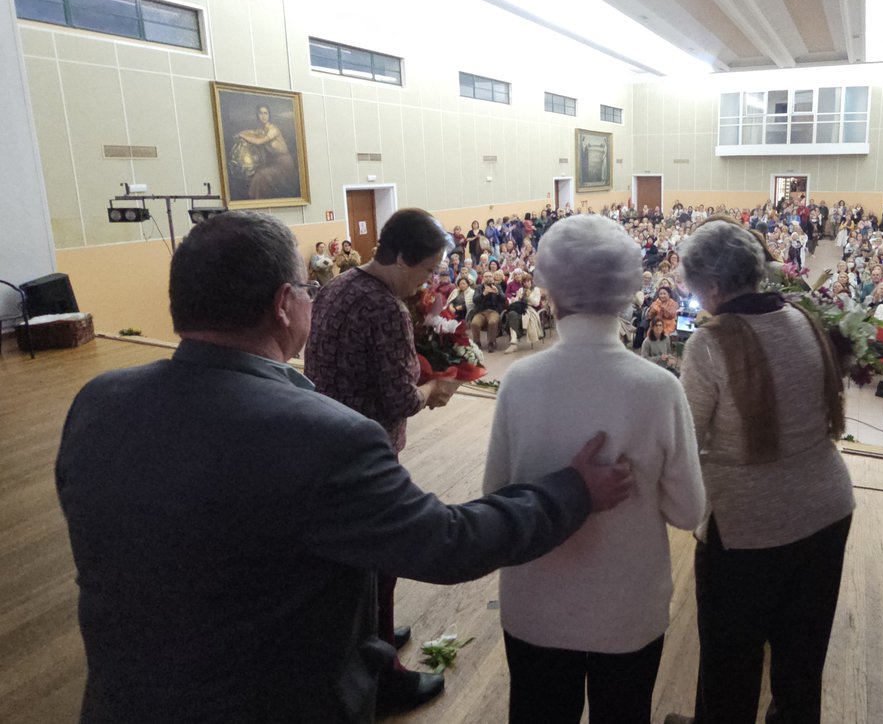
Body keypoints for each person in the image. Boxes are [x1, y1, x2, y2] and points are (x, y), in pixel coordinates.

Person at [56, 211, 634, 724]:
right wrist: (571, 490)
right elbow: (451, 543)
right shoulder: (326, 439)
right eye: (307, 288)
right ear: (285, 305)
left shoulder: (97, 403)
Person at [484, 215, 704, 724]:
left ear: (552, 292)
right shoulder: (657, 388)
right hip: (627, 610)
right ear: (628, 292)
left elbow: (496, 496)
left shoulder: (520, 380)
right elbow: (690, 510)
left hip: (536, 605)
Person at [667, 221, 854, 724]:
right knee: (801, 662)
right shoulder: (800, 317)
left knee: (731, 666)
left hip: (748, 526)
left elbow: (687, 436)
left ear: (710, 287)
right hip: (829, 509)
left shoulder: (711, 343)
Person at [303, 208, 478, 711]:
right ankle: (384, 679)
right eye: (425, 269)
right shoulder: (386, 309)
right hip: (367, 450)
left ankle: (370, 633)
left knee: (358, 560)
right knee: (382, 558)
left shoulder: (338, 286)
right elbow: (401, 398)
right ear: (401, 257)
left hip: (327, 437)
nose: (428, 280)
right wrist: (436, 387)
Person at [230, 104, 301, 200]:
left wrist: (242, 136)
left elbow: (259, 142)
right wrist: (240, 134)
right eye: (260, 113)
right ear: (257, 115)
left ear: (269, 115)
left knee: (260, 177)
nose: (263, 116)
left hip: (284, 165)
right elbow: (252, 132)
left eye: (265, 113)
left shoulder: (273, 130)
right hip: (274, 164)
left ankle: (257, 201)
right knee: (254, 174)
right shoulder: (261, 130)